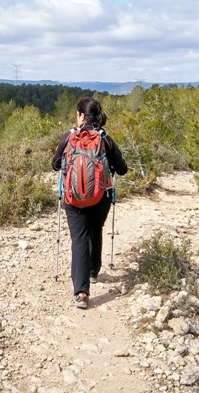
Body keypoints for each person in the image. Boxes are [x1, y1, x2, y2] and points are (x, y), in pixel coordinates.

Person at [51, 97, 127, 309]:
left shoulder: (69, 136)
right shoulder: (105, 139)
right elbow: (122, 169)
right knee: (95, 229)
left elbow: (55, 165)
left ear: (81, 115)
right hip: (100, 197)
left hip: (73, 198)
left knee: (79, 239)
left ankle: (81, 292)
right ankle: (93, 271)